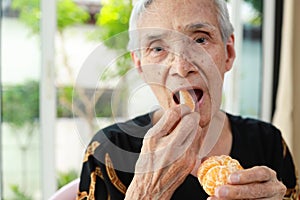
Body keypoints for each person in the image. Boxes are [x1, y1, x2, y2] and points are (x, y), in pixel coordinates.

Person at [76, 0, 299, 199]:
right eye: (158, 48)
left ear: (228, 53)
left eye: (200, 39)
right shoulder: (108, 152)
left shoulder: (268, 143)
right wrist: (147, 193)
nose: (182, 68)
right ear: (140, 65)